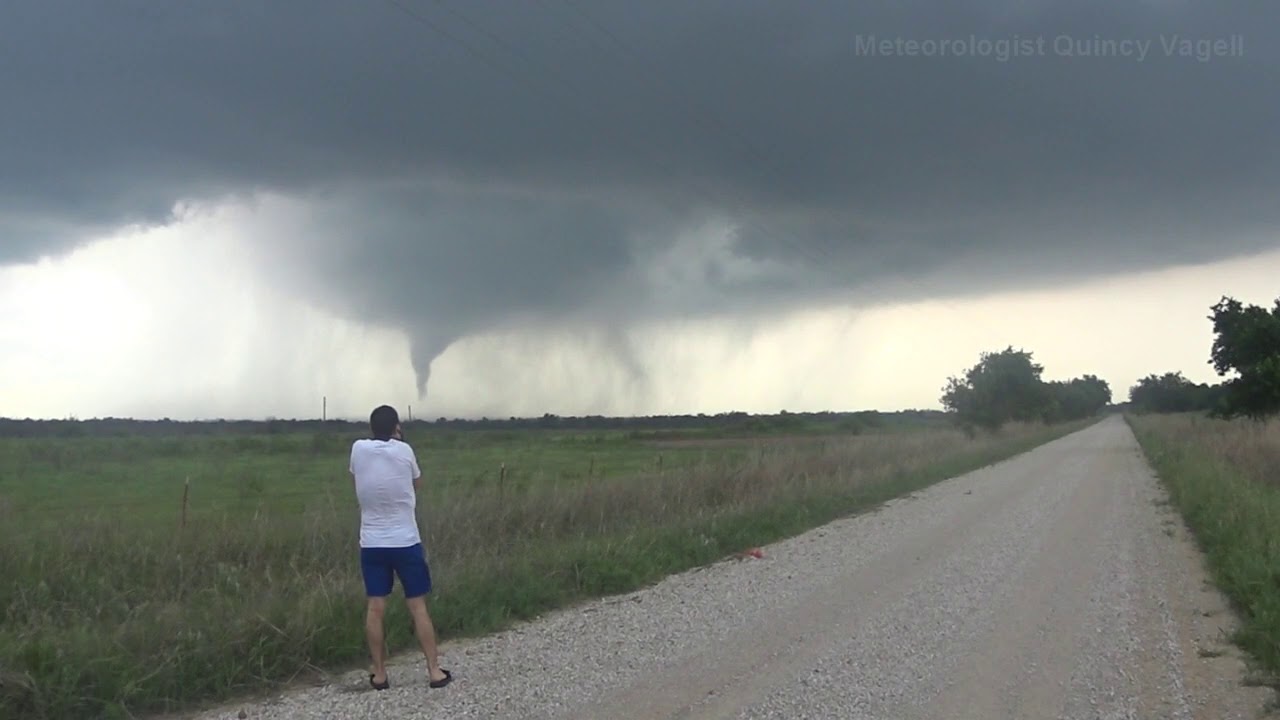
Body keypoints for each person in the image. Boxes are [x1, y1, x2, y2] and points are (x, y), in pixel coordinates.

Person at [349, 404, 452, 690]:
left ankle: (380, 674)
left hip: (372, 543)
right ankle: (434, 671)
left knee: (376, 607)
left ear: (371, 427)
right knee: (417, 605)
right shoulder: (405, 451)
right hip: (406, 541)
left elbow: (355, 478)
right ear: (397, 427)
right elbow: (417, 483)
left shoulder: (358, 449)